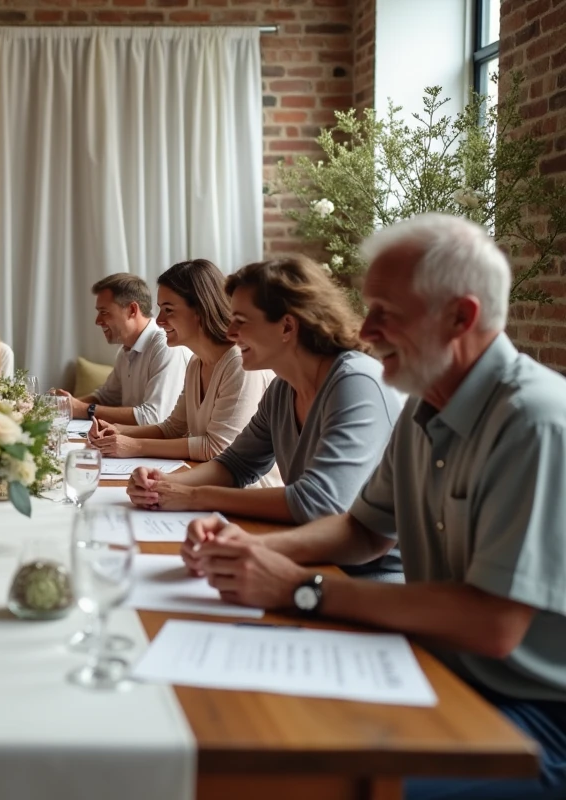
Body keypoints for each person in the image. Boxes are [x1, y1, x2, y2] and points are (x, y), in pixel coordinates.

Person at [181, 215, 566, 799]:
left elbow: (493, 625)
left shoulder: (535, 424)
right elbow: (364, 529)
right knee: (242, 721)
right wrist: (253, 550)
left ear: (460, 318)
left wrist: (301, 589)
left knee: (296, 781)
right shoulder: (423, 406)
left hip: (533, 717)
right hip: (434, 668)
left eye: (387, 311)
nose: (365, 328)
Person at [127, 255, 403, 579]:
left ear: (287, 326)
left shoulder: (356, 382)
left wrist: (194, 496)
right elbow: (236, 465)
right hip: (310, 559)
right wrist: (163, 484)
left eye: (241, 321)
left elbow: (318, 503)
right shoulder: (282, 388)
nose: (230, 332)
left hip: (367, 576)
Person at [88, 259, 278, 485]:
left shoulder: (238, 363)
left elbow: (216, 447)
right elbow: (173, 428)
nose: (159, 320)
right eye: (160, 309)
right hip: (208, 484)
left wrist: (135, 445)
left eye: (168, 310)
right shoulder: (196, 363)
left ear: (200, 310)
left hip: (247, 494)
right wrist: (119, 432)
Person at [53, 273, 190, 424]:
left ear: (132, 310)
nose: (98, 321)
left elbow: (154, 417)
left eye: (104, 312)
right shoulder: (125, 351)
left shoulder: (165, 346)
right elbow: (105, 397)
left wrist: (84, 409)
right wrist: (62, 405)